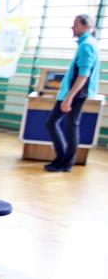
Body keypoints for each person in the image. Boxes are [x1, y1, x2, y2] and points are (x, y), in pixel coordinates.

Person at [45, 14, 100, 173]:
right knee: (59, 124)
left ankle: (65, 162)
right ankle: (63, 159)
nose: (72, 27)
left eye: (75, 24)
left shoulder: (87, 45)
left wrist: (69, 97)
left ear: (85, 26)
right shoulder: (86, 43)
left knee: (68, 126)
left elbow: (84, 74)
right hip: (74, 92)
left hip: (76, 93)